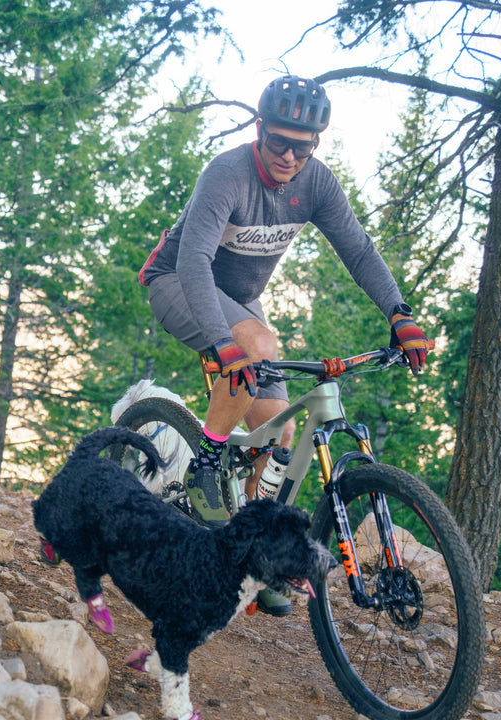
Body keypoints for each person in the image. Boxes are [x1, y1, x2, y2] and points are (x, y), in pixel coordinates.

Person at [138, 75, 430, 616]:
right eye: (280, 142)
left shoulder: (316, 183)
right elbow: (194, 261)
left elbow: (359, 250)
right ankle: (204, 462)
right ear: (259, 130)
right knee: (257, 341)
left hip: (239, 307)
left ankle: (252, 554)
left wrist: (400, 314)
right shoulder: (227, 173)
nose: (291, 156)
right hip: (176, 282)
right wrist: (227, 343)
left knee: (281, 430)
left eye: (305, 144)